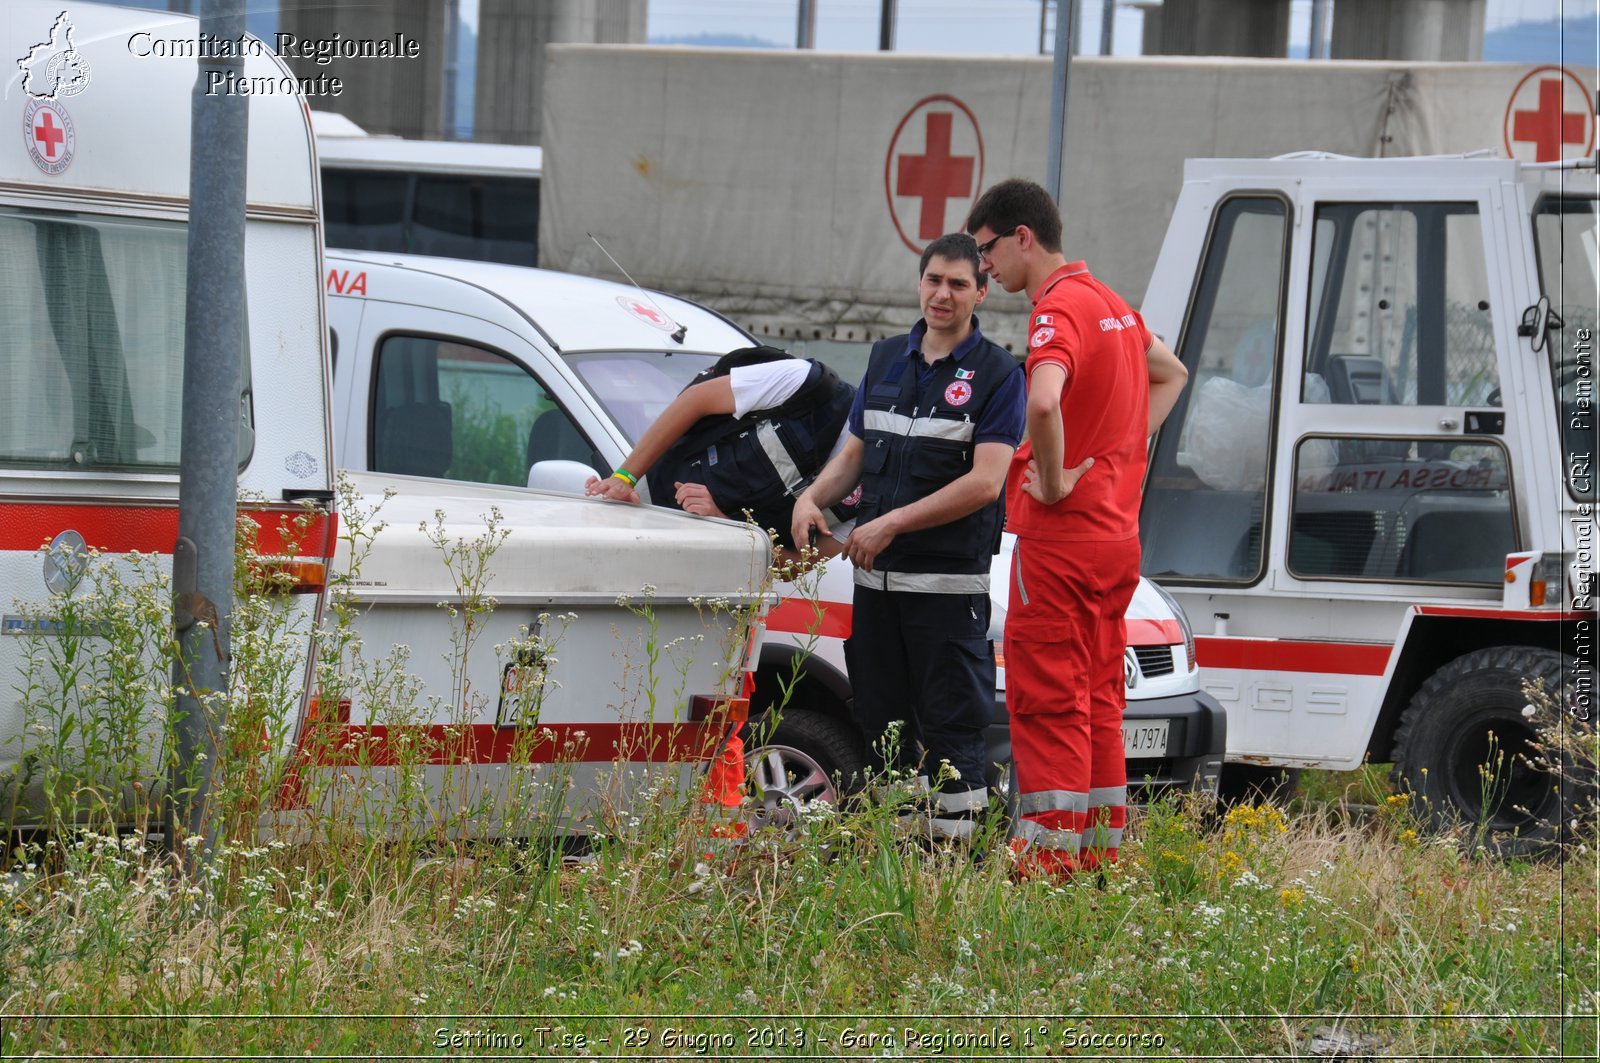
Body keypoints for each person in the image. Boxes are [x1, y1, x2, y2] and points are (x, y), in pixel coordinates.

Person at [966, 178, 1188, 878]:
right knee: (1098, 698)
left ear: (1023, 236)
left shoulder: (1057, 310)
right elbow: (1172, 373)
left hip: (1061, 544)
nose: (984, 268)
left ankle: (1045, 866)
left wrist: (1058, 479)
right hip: (1116, 541)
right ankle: (1096, 859)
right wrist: (1126, 446)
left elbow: (1041, 400)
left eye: (987, 250)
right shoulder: (1112, 304)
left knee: (1049, 701)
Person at [790, 233, 1026, 840]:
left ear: (981, 290)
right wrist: (810, 498)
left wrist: (891, 522)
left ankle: (957, 875)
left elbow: (985, 483)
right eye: (933, 281)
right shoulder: (886, 358)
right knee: (882, 730)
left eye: (957, 284)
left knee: (952, 736)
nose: (942, 294)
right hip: (876, 590)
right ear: (919, 283)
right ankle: (897, 870)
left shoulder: (1000, 375)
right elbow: (853, 455)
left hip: (946, 594)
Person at [585, 346, 858, 560]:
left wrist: (726, 525)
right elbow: (695, 399)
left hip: (715, 585)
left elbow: (799, 567)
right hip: (637, 518)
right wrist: (624, 478)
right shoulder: (807, 383)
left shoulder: (879, 489)